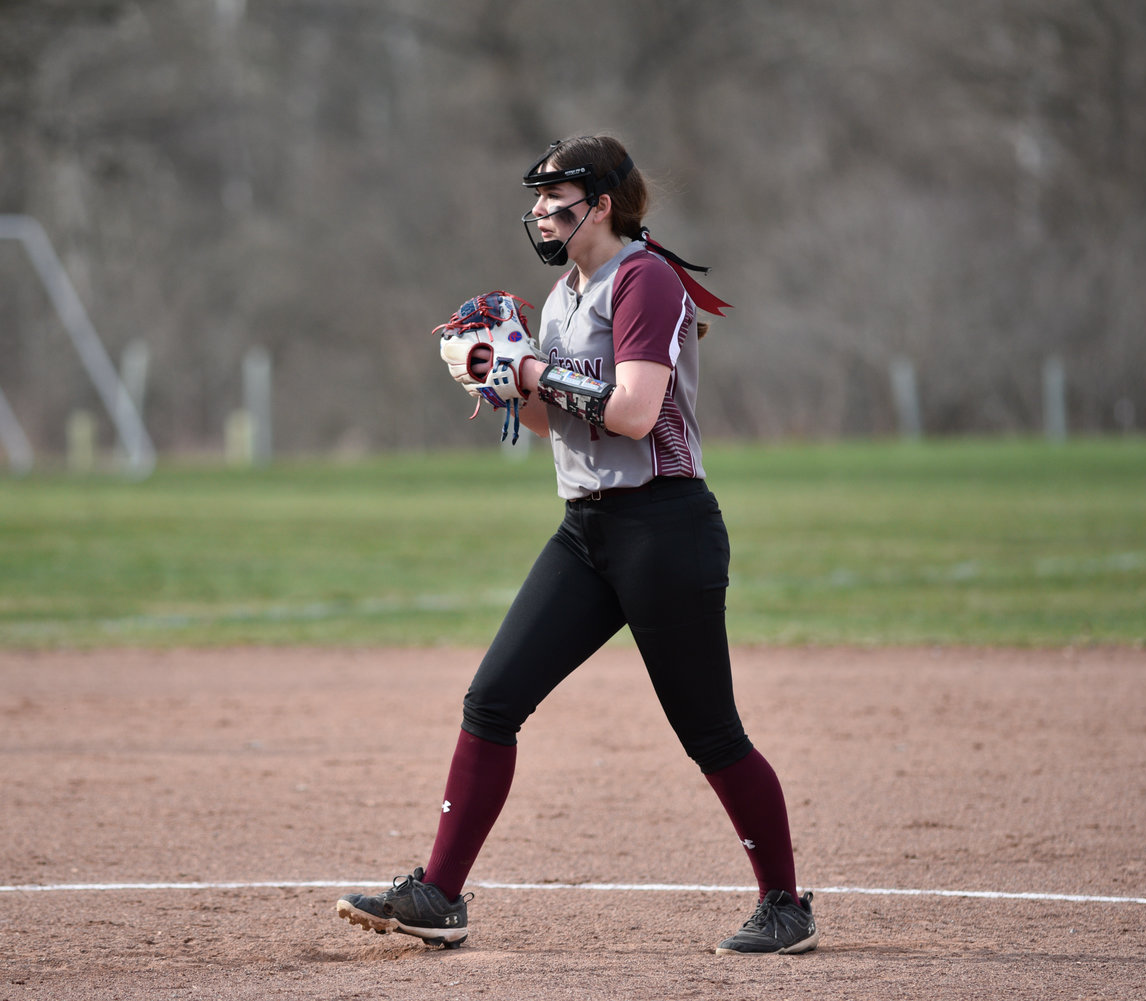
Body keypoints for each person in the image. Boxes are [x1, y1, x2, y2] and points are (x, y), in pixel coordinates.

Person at [335, 136, 817, 956]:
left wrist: (531, 374)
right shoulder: (563, 295)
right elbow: (545, 419)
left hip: (665, 529)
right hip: (586, 531)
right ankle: (439, 895)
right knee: (492, 700)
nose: (539, 211)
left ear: (600, 203)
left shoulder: (645, 279)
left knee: (711, 732)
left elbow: (633, 411)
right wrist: (496, 379)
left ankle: (785, 903)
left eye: (555, 197)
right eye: (537, 198)